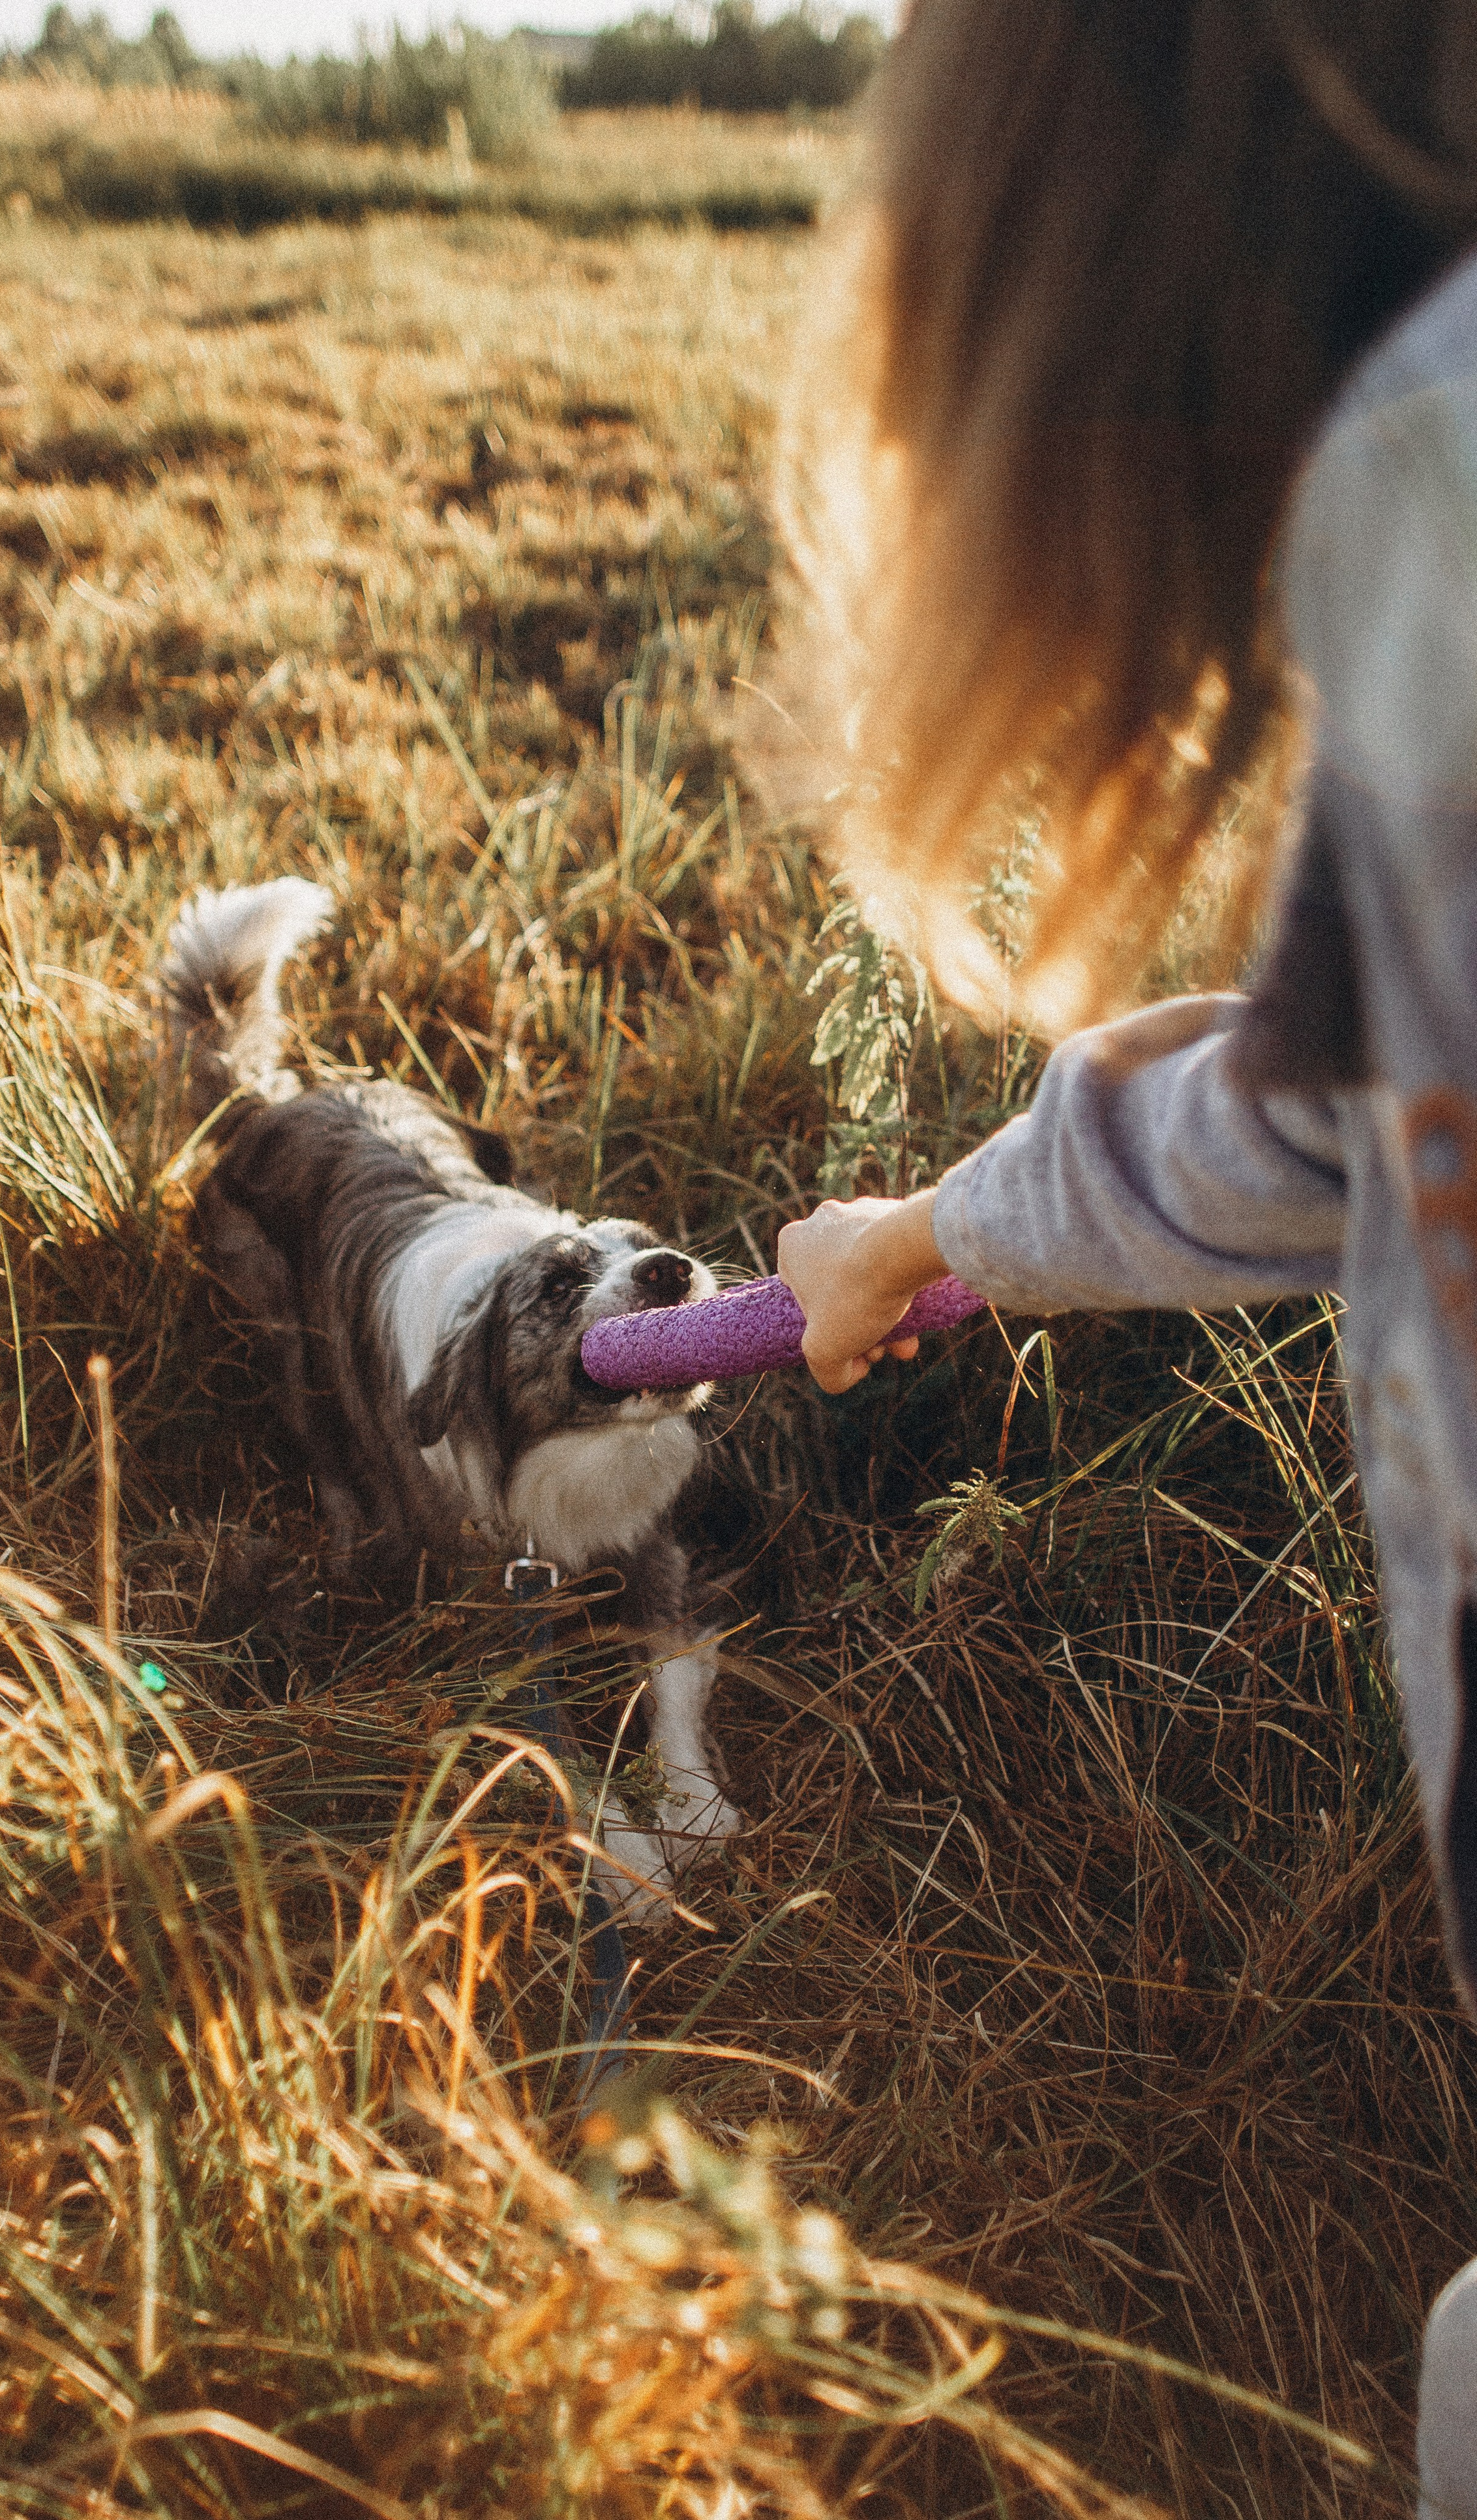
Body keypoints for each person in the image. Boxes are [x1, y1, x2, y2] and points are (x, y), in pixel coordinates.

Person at [771, 7, 1477, 2512]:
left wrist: (920, 1224)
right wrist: (938, 1223)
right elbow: (1332, 1112)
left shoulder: (1447, 480)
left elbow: (1302, 1118)